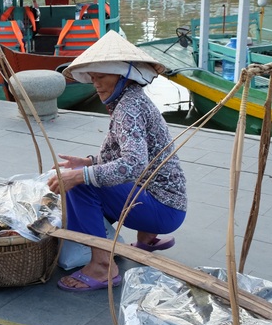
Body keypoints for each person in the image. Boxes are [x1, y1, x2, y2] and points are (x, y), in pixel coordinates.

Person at [47, 30, 187, 292]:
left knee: (79, 186)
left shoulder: (128, 108)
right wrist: (89, 161)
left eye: (101, 77)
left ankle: (102, 267)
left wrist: (81, 175)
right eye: (93, 78)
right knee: (85, 174)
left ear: (123, 76)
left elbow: (133, 163)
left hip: (164, 209)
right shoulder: (133, 100)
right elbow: (124, 156)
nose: (96, 84)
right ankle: (147, 238)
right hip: (169, 202)